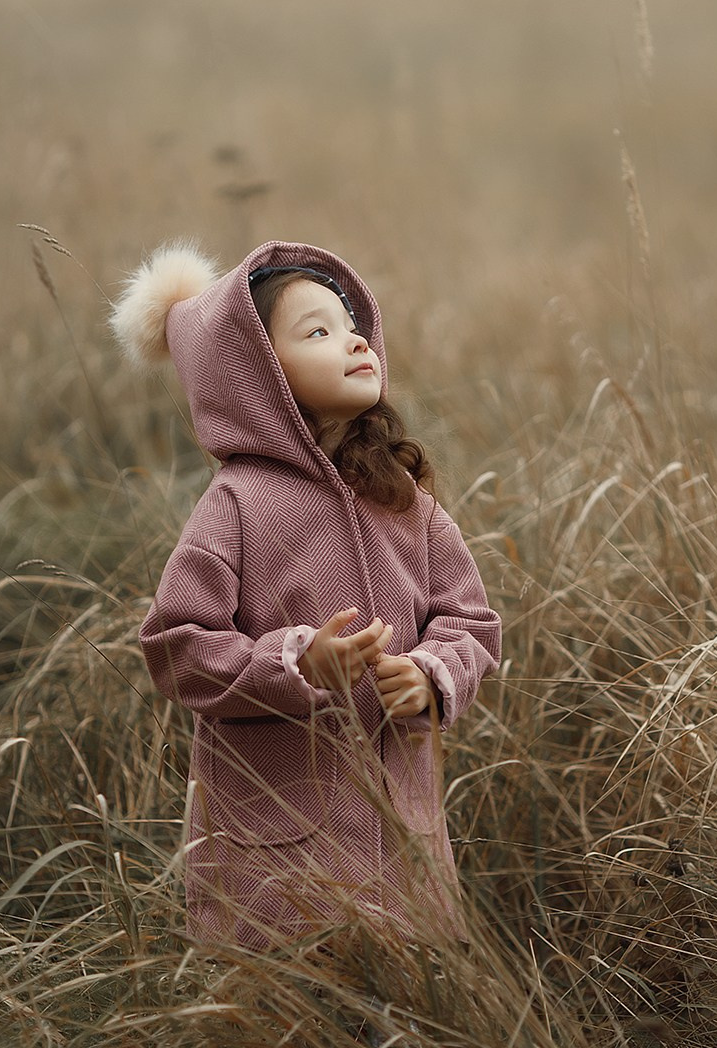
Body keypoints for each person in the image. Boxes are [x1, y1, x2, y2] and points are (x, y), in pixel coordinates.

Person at [110, 237, 502, 953]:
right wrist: (293, 665)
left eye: (352, 325)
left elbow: (470, 620)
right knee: (292, 1024)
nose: (354, 342)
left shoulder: (402, 502)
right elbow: (176, 646)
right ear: (255, 375)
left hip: (403, 846)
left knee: (411, 1019)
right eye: (317, 332)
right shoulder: (236, 506)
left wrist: (429, 673)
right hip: (278, 856)